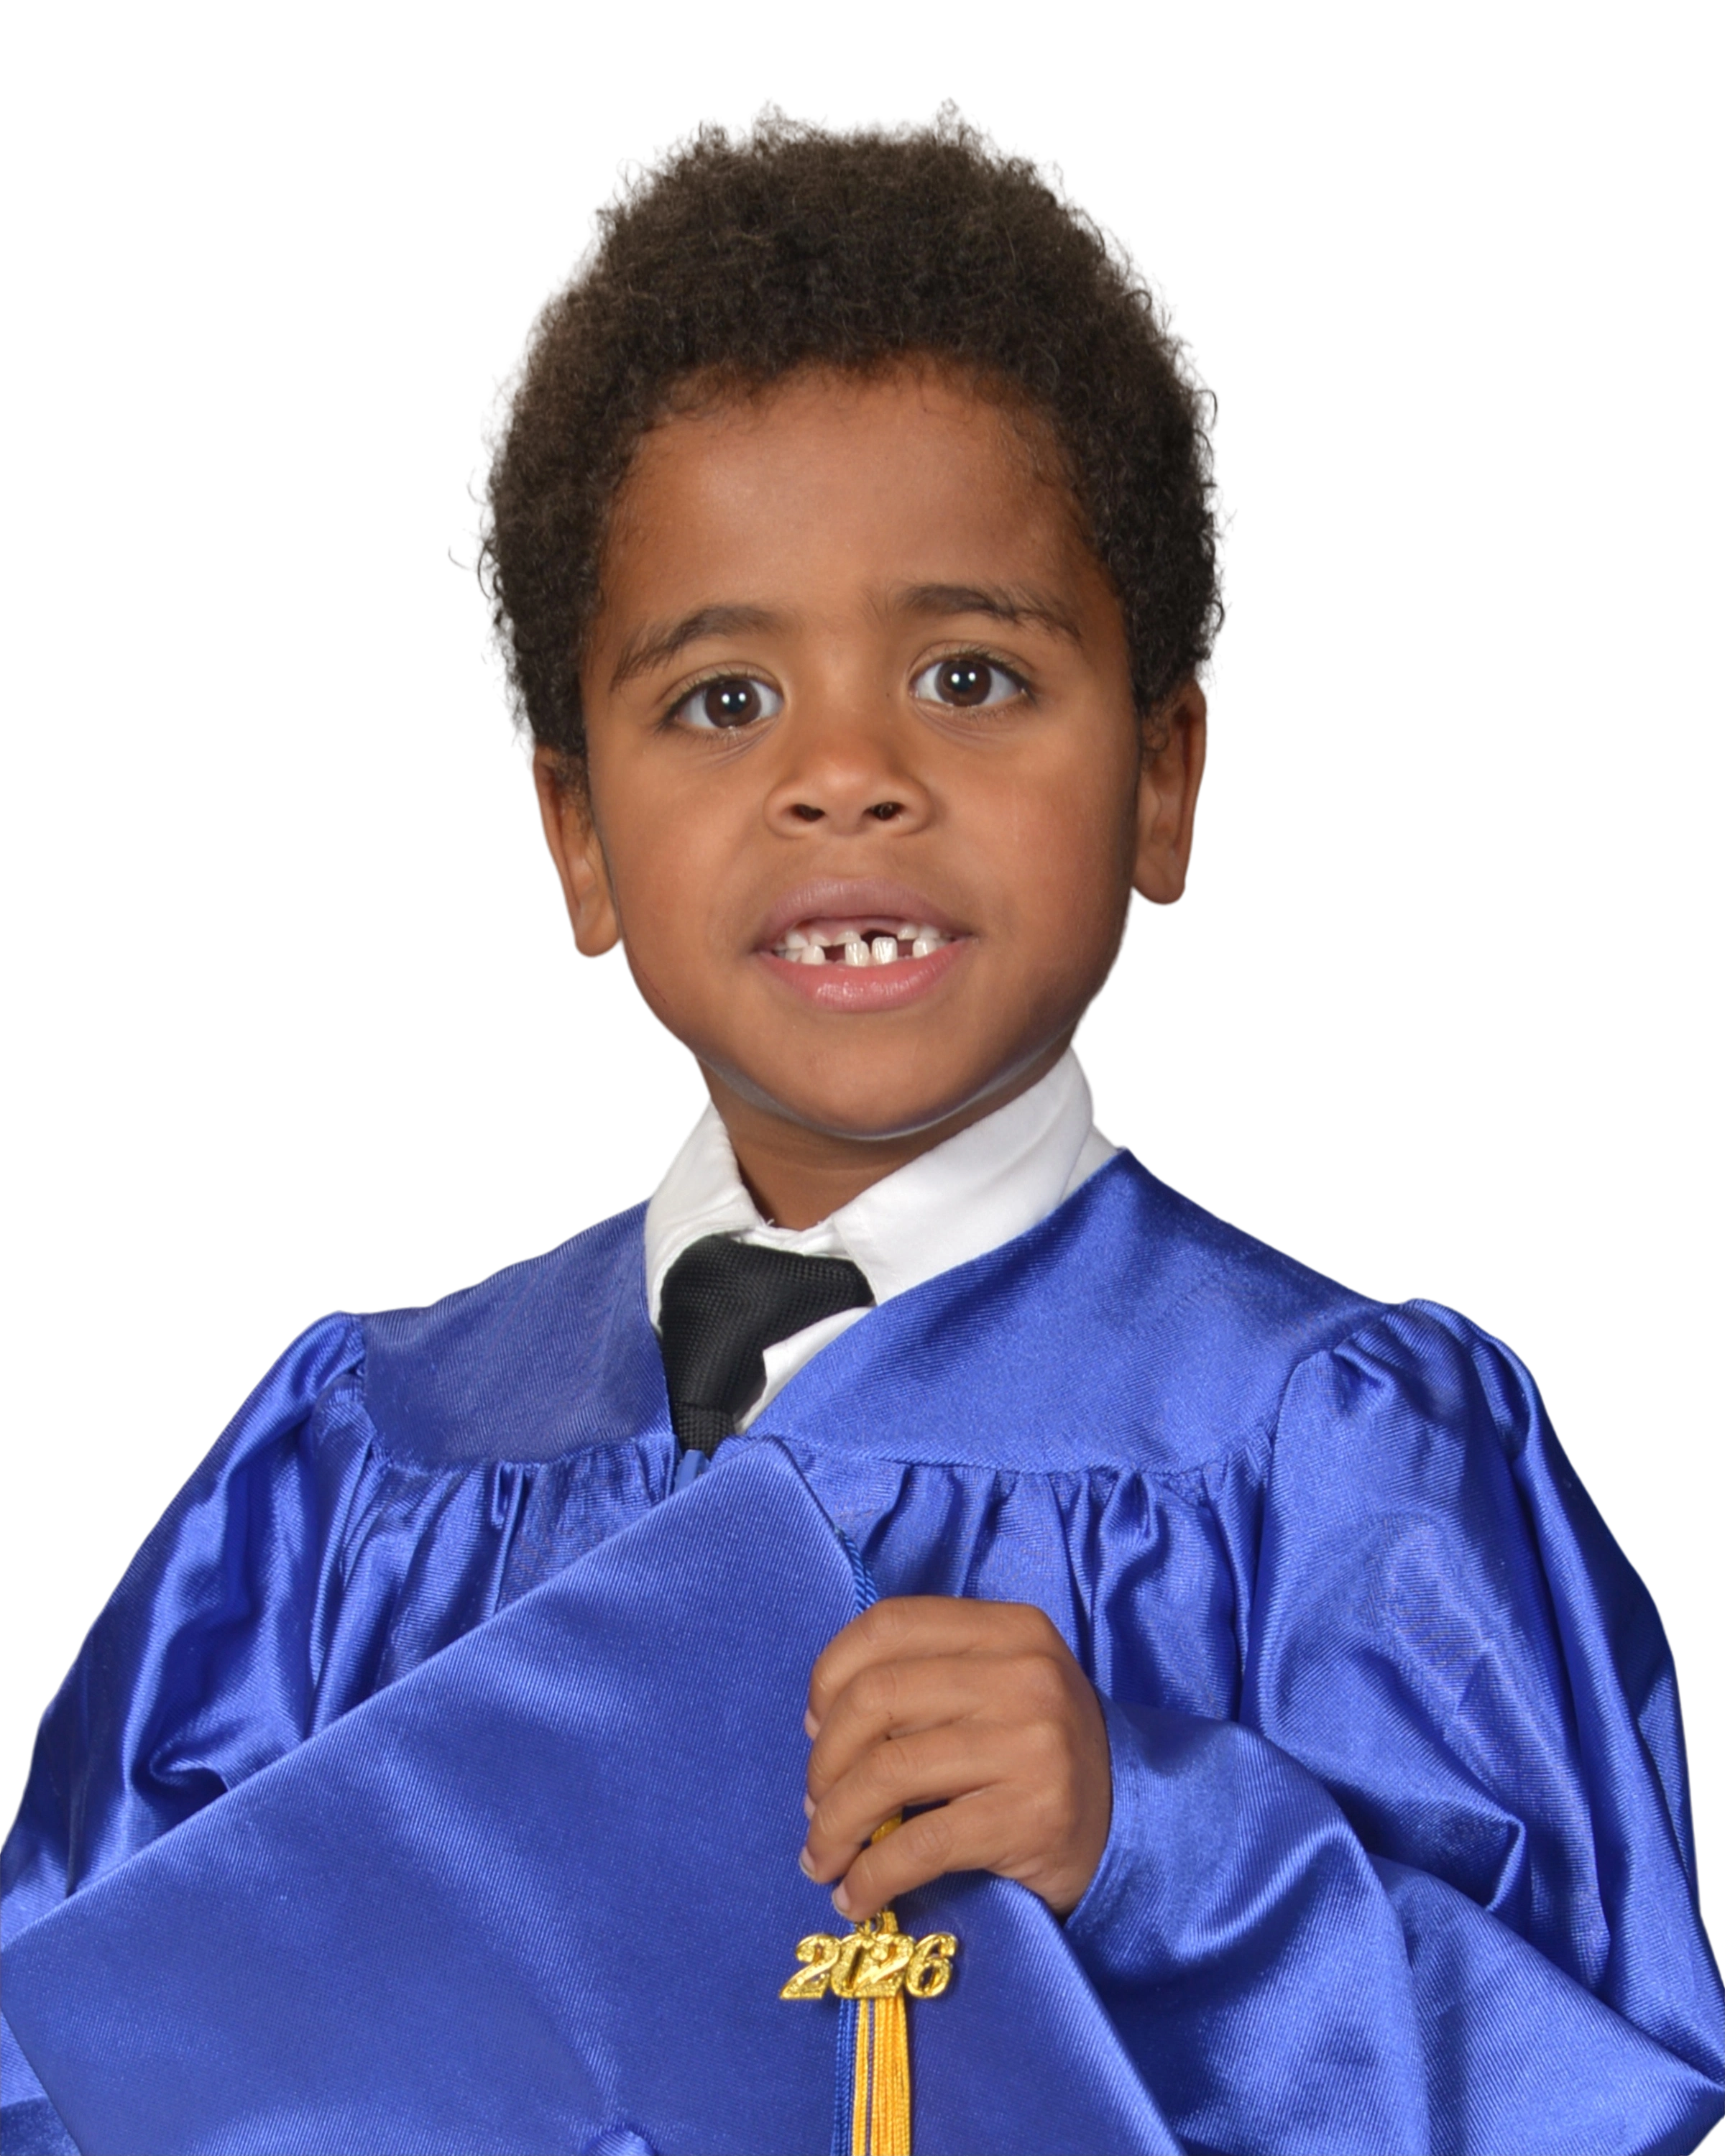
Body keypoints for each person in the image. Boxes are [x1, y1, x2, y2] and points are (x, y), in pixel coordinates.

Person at [4, 95, 1721, 2156]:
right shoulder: (364, 1473)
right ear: (576, 838)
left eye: (971, 677)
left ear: (1165, 775)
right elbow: (73, 2054)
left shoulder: (1332, 1461)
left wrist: (1160, 1846)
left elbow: (1594, 2088)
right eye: (723, 700)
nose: (846, 774)